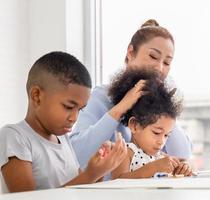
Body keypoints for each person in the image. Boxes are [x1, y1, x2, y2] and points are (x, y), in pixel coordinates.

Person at [70, 19, 192, 170]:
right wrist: (121, 108)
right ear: (130, 52)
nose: (160, 68)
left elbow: (183, 155)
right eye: (153, 57)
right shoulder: (101, 97)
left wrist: (163, 101)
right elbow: (76, 154)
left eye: (167, 62)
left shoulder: (159, 105)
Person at [0, 52, 127, 193]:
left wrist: (101, 169)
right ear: (36, 96)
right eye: (68, 107)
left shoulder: (63, 138)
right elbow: (26, 198)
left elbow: (78, 190)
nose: (74, 117)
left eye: (80, 109)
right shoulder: (14, 137)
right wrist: (91, 174)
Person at [110, 68, 192, 179]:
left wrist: (184, 167)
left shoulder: (160, 156)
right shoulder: (125, 153)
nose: (161, 142)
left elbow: (183, 162)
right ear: (134, 125)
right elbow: (117, 181)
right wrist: (153, 168)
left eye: (166, 135)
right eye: (156, 132)